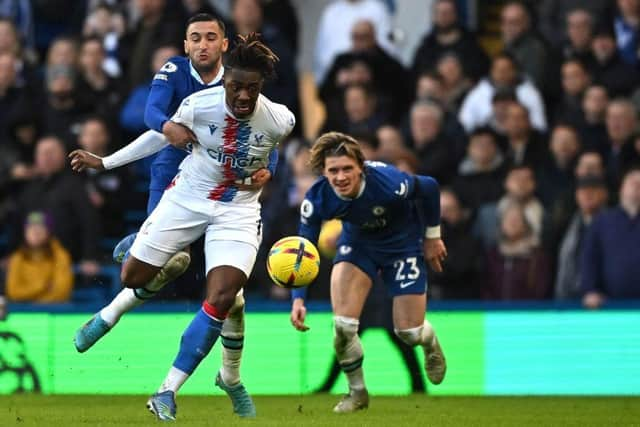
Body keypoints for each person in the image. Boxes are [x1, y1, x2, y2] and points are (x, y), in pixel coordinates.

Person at [69, 33, 294, 420]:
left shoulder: (281, 118)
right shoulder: (197, 105)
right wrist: (104, 162)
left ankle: (167, 390)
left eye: (251, 90)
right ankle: (133, 259)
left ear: (261, 88)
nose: (243, 96)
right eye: (236, 87)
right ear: (225, 81)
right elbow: (158, 137)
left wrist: (266, 172)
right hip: (188, 197)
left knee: (223, 297)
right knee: (132, 275)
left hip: (237, 211)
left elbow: (270, 149)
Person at [289, 132, 447, 413]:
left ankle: (430, 342)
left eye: (347, 168)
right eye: (333, 170)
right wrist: (298, 299)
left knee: (408, 333)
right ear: (324, 172)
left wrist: (433, 237)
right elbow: (305, 249)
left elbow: (430, 187)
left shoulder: (390, 183)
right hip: (358, 246)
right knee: (343, 327)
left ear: (360, 167)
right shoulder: (318, 197)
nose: (340, 177)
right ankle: (357, 393)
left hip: (402, 246)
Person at [6, 211, 73, 303]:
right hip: (24, 311)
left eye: (41, 228)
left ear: (49, 232)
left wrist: (35, 301)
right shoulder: (17, 258)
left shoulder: (60, 256)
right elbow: (13, 292)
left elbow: (62, 292)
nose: (35, 232)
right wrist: (43, 285)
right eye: (30, 228)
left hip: (54, 312)